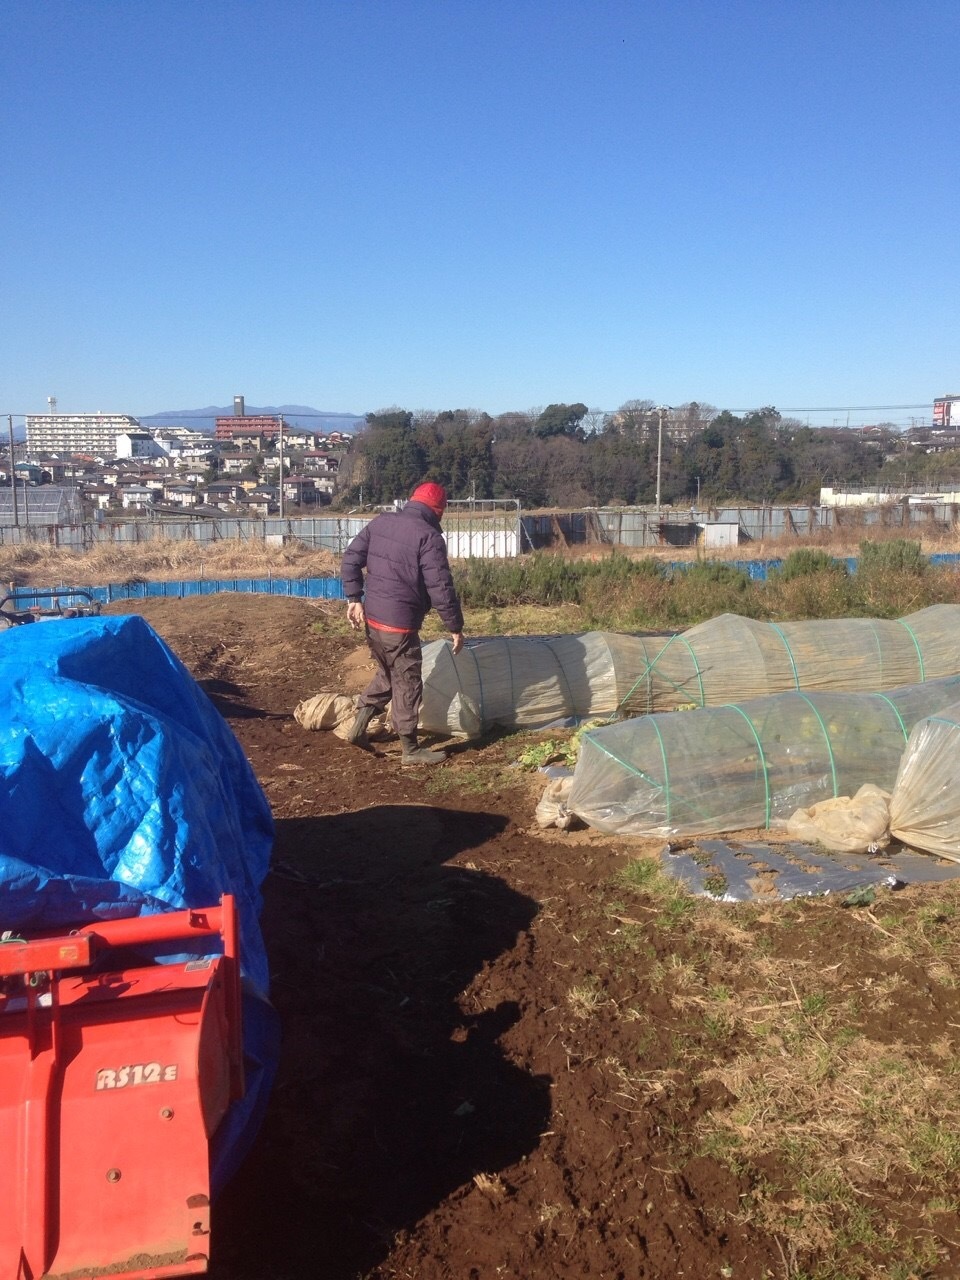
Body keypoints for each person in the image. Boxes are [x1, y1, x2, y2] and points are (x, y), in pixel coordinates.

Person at [340, 481, 464, 765]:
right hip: (401, 625)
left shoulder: (381, 522)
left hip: (373, 620)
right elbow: (440, 587)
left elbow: (350, 559)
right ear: (437, 510)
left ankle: (358, 728)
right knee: (407, 681)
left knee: (387, 674)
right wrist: (455, 626)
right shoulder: (429, 536)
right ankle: (410, 749)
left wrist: (354, 598)